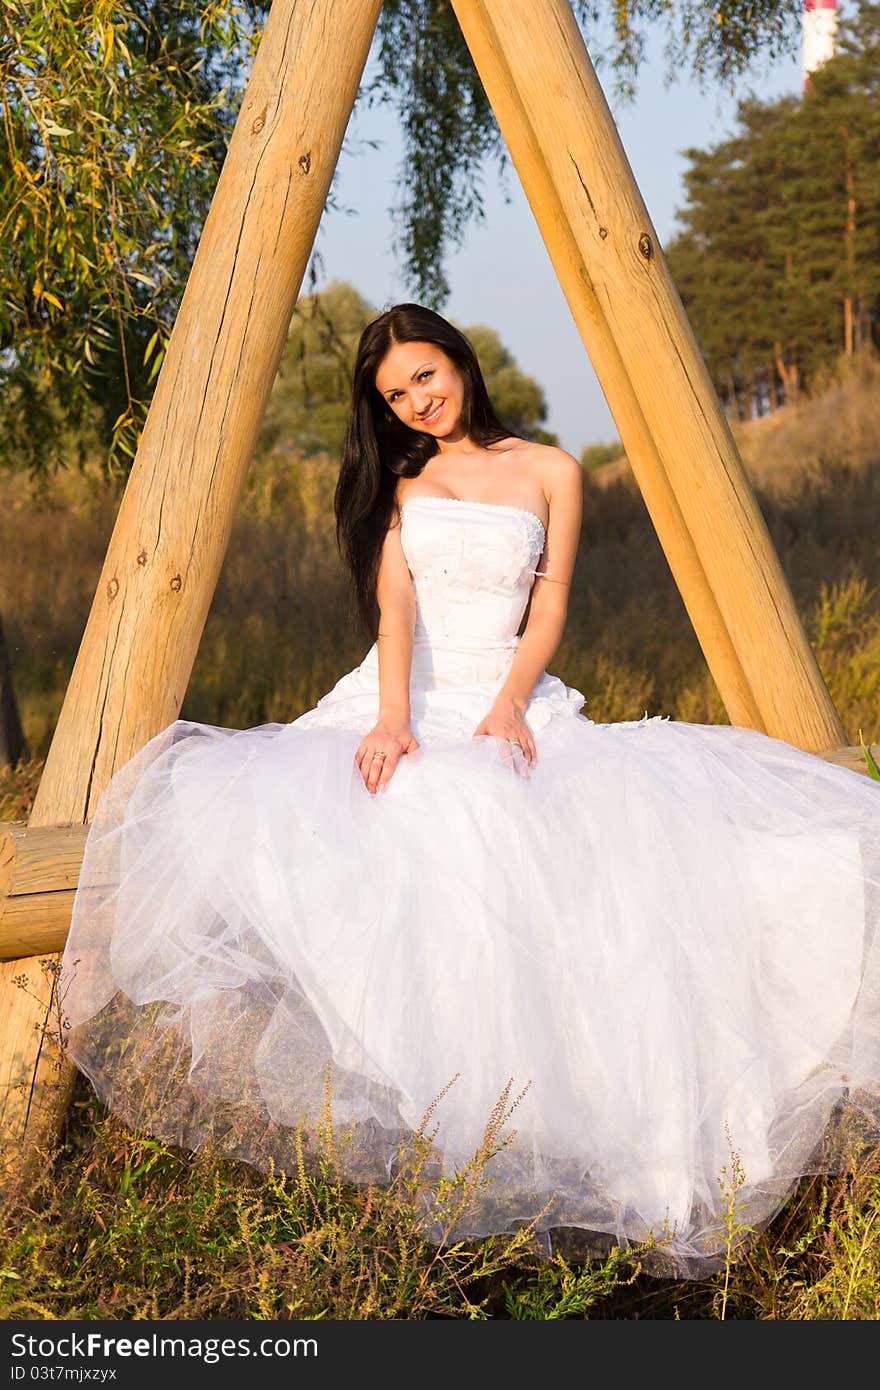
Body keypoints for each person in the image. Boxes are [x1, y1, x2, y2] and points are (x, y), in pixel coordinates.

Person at [59, 303, 880, 1280]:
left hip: (512, 693)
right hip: (409, 695)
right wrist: (394, 716)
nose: (418, 400)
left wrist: (509, 704)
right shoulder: (411, 484)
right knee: (370, 819)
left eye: (425, 376)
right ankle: (435, 1110)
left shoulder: (549, 470)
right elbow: (396, 610)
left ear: (458, 359)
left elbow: (552, 599)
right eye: (396, 395)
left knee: (577, 850)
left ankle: (574, 1128)